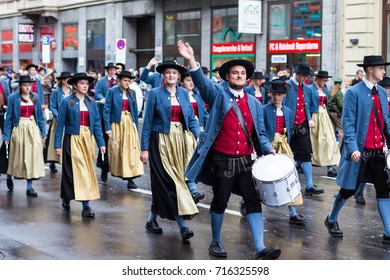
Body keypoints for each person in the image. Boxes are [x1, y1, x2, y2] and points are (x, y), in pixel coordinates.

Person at [178, 40, 281, 260]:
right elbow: (202, 84)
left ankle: (260, 248)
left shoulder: (254, 103)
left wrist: (268, 149)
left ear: (248, 78)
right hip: (221, 161)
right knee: (220, 202)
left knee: (253, 201)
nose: (239, 76)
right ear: (227, 77)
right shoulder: (217, 94)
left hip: (246, 161)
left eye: (243, 73)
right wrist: (190, 60)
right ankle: (215, 242)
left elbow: (260, 134)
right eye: (235, 73)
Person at [324, 55, 390, 245]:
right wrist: (352, 148)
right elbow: (348, 123)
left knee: (384, 189)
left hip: (378, 150)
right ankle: (331, 218)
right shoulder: (353, 92)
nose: (384, 71)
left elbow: (386, 121)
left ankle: (388, 231)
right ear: (370, 69)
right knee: (349, 189)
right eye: (381, 68)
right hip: (359, 152)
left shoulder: (383, 93)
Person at [140, 60, 200, 241]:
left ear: (179, 76)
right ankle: (183, 226)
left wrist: (197, 136)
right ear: (163, 76)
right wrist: (144, 148)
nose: (171, 76)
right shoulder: (155, 94)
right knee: (169, 183)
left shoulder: (183, 93)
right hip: (160, 142)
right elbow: (148, 122)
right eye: (167, 73)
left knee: (175, 181)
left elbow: (190, 119)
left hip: (180, 141)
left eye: (174, 73)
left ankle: (151, 219)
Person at [54, 72, 106, 218]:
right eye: (82, 83)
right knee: (75, 171)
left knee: (86, 171)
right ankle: (86, 206)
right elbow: (60, 125)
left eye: (86, 83)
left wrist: (101, 143)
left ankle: (70, 197)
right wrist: (57, 145)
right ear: (75, 85)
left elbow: (96, 124)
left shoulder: (91, 102)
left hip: (87, 140)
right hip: (73, 140)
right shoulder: (66, 101)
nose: (85, 86)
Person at [262, 79, 306, 225]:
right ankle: (247, 202)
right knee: (263, 177)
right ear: (270, 94)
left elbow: (290, 131)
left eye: (280, 95)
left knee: (289, 177)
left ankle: (293, 212)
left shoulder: (288, 111)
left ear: (284, 96)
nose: (276, 97)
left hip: (284, 145)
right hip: (268, 145)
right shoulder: (264, 109)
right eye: (274, 94)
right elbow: (260, 130)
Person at [2, 75, 46, 197]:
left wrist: (43, 132)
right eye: (25, 85)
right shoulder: (13, 98)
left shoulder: (35, 98)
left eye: (29, 85)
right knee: (16, 155)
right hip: (19, 128)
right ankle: (10, 176)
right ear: (20, 86)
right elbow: (9, 118)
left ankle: (29, 187)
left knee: (31, 157)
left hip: (32, 129)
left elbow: (40, 117)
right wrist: (6, 136)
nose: (27, 88)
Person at [284, 62, 324, 195]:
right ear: (297, 74)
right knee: (287, 155)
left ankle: (309, 185)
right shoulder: (287, 87)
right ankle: (283, 180)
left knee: (306, 154)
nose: (306, 79)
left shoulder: (307, 89)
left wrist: (309, 119)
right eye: (304, 76)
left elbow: (307, 106)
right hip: (288, 126)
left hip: (302, 124)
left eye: (307, 76)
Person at [103, 70, 144, 190]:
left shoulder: (133, 93)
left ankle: (130, 178)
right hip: (117, 123)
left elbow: (135, 112)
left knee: (131, 150)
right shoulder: (112, 91)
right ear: (119, 80)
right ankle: (106, 168)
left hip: (129, 123)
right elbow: (107, 110)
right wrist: (108, 127)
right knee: (115, 150)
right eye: (125, 81)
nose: (127, 83)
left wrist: (135, 126)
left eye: (129, 81)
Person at [354, 75, 390, 205]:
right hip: (363, 145)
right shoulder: (356, 92)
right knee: (354, 182)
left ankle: (387, 226)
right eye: (387, 88)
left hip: (381, 142)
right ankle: (358, 193)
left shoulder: (383, 96)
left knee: (383, 187)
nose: (388, 90)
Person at [180, 71, 208, 203]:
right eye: (187, 80)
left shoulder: (198, 95)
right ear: (181, 82)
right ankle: (192, 189)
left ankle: (191, 186)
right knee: (189, 159)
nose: (191, 83)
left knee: (199, 159)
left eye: (192, 80)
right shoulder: (179, 95)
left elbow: (205, 114)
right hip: (185, 131)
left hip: (199, 129)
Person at [308, 70, 340, 177]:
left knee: (329, 141)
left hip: (324, 116)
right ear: (318, 79)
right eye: (323, 80)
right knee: (315, 142)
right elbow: (306, 106)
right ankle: (300, 163)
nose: (325, 82)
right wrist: (309, 119)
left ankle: (330, 168)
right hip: (315, 116)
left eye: (326, 80)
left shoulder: (325, 90)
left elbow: (327, 105)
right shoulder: (310, 89)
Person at [94, 62, 119, 182]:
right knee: (104, 141)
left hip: (116, 115)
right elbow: (97, 92)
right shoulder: (102, 82)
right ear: (107, 71)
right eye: (109, 70)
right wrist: (101, 98)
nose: (111, 72)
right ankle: (104, 167)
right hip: (104, 115)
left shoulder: (119, 81)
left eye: (113, 70)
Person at [45, 71, 73, 173]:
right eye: (67, 79)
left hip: (71, 120)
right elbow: (52, 106)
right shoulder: (56, 92)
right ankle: (53, 161)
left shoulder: (73, 90)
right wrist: (59, 117)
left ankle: (68, 161)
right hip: (58, 120)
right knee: (55, 141)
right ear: (63, 81)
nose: (69, 81)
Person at [328, 77, 344, 148]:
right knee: (341, 130)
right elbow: (341, 105)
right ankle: (340, 147)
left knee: (332, 130)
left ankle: (331, 147)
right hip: (336, 113)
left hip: (330, 112)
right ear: (340, 85)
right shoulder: (339, 93)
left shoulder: (330, 91)